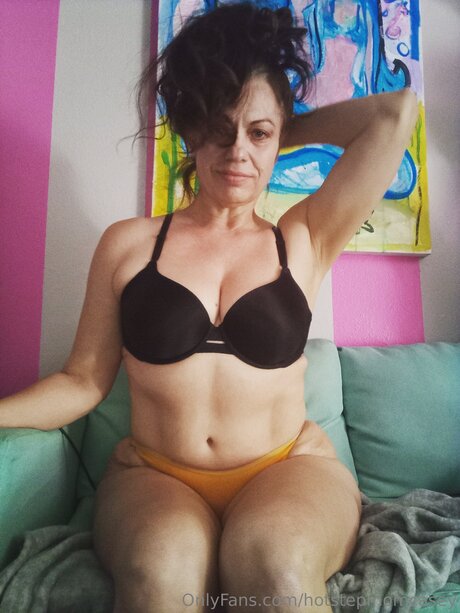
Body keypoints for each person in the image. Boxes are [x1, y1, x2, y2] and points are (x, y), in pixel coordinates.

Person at [0, 3, 418, 612]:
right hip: (155, 475)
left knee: (276, 568)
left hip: (288, 469)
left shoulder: (304, 238)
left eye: (257, 135)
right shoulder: (128, 245)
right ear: (192, 129)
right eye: (219, 129)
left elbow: (394, 113)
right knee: (161, 572)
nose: (238, 151)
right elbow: (83, 381)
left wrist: (274, 123)